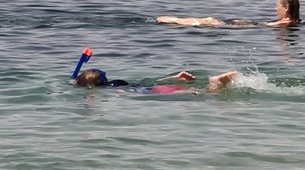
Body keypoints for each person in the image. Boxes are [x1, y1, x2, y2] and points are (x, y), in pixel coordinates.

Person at [156, 0, 300, 27]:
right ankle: (174, 20)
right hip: (245, 24)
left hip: (244, 28)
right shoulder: (290, 22)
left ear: (286, 8)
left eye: (278, 6)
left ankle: (173, 21)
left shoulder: (284, 24)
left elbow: (265, 26)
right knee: (209, 20)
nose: (275, 9)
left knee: (209, 20)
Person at [74, 68, 238, 93]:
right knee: (193, 90)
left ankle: (215, 83)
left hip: (152, 92)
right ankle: (177, 78)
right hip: (152, 87)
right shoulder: (115, 82)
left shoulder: (109, 89)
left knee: (203, 93)